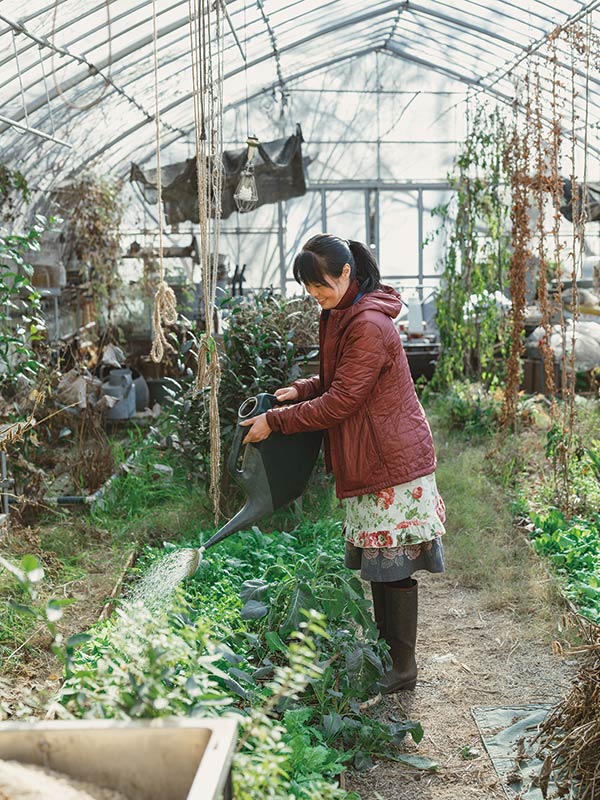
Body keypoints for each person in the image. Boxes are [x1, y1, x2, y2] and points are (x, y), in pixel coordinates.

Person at [240, 234, 445, 694]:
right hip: (373, 456)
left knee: (393, 568)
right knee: (382, 565)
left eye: (321, 286)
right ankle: (390, 659)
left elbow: (345, 400)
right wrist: (304, 388)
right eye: (309, 288)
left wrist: (276, 420)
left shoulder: (368, 323)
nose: (316, 296)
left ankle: (403, 668)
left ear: (347, 273)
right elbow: (341, 379)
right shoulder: (341, 313)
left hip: (391, 460)